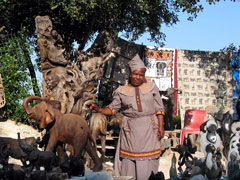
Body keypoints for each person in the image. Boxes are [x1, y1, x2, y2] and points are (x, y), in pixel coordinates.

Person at [87, 54, 165, 180]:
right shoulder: (121, 91)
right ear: (130, 73)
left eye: (141, 75)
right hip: (131, 131)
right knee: (129, 160)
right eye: (135, 74)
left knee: (149, 160)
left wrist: (161, 127)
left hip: (150, 129)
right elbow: (112, 109)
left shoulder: (151, 87)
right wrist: (99, 109)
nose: (138, 77)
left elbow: (159, 109)